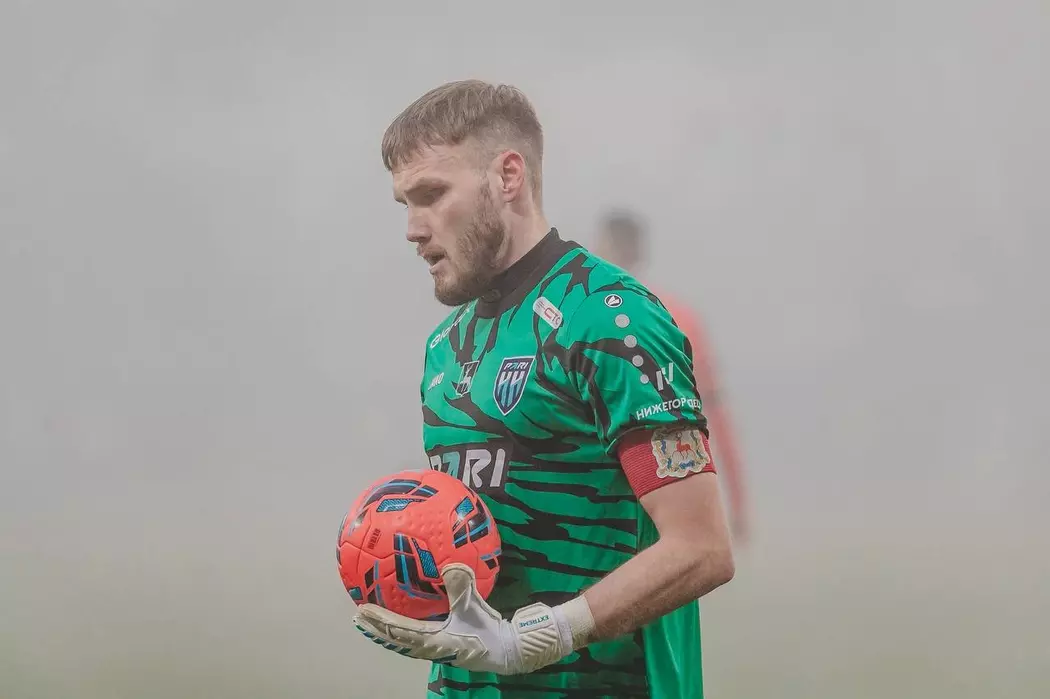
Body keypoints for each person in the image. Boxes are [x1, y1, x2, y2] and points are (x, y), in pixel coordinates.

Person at [352, 79, 735, 699]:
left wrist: (538, 637)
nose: (413, 229)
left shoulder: (610, 320)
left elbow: (701, 547)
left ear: (508, 177)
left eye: (432, 194)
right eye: (404, 204)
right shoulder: (445, 346)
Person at [594, 211, 750, 544]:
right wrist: (737, 505)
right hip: (653, 502)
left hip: (637, 503)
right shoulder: (679, 317)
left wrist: (737, 503)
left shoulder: (673, 319)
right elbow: (718, 415)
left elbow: (715, 411)